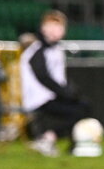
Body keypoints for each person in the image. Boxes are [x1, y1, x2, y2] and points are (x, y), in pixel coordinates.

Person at [20, 10, 90, 156]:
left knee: (83, 106)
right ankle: (47, 137)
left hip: (51, 95)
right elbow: (43, 77)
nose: (54, 31)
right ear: (43, 28)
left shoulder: (57, 49)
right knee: (77, 110)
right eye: (50, 26)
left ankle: (71, 144)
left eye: (58, 27)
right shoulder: (37, 50)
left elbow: (58, 78)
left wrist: (69, 91)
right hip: (39, 98)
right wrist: (64, 93)